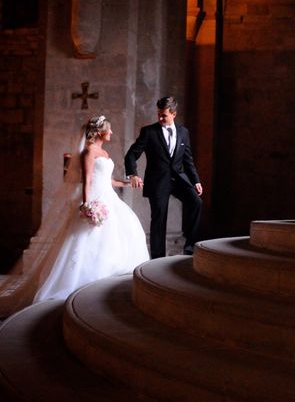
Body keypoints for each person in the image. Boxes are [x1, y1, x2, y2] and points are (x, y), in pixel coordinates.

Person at [32, 115, 150, 303]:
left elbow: (107, 180)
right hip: (95, 198)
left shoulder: (103, 153)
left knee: (124, 232)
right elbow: (87, 180)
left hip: (109, 196)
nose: (111, 132)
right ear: (100, 131)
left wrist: (126, 183)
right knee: (87, 238)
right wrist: (88, 206)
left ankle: (109, 279)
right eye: (109, 129)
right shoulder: (89, 152)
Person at [125, 96, 203, 258]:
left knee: (196, 202)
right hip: (158, 181)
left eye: (164, 115)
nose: (160, 118)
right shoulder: (149, 132)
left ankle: (190, 248)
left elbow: (188, 159)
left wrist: (195, 180)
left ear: (174, 114)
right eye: (159, 114)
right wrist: (133, 174)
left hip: (179, 179)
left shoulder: (184, 132)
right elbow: (131, 155)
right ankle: (157, 257)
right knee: (159, 217)